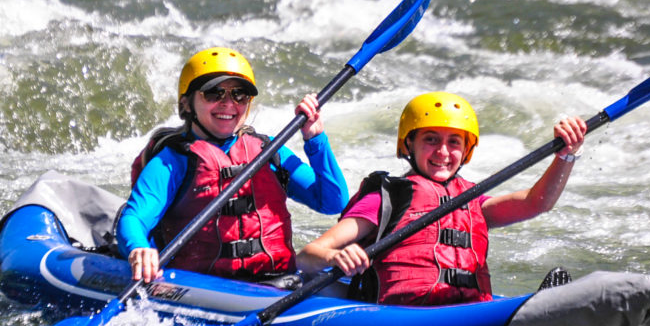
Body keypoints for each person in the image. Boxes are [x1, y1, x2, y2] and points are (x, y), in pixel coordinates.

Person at [296, 91, 586, 306]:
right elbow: (308, 256)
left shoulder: (473, 200)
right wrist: (336, 256)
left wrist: (566, 156)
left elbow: (537, 202)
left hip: (468, 312)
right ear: (409, 143)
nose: (443, 152)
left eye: (454, 142)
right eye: (431, 139)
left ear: (466, 150)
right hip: (404, 317)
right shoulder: (388, 197)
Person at [117, 47, 350, 284]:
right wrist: (138, 249)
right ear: (187, 104)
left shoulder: (269, 152)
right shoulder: (173, 161)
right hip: (206, 287)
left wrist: (315, 138)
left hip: (278, 281)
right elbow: (134, 217)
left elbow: (333, 202)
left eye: (239, 95)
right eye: (213, 93)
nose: (228, 104)